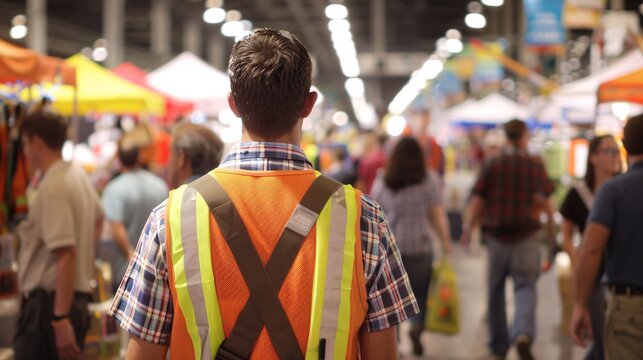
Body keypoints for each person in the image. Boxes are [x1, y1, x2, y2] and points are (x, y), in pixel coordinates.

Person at [109, 29, 418, 360]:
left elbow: (142, 353)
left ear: (233, 104)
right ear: (309, 104)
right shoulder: (364, 220)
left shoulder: (169, 219)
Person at [460, 119, 555, 360]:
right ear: (524, 136)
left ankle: (499, 345)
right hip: (526, 237)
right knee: (525, 287)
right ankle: (522, 333)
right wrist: (552, 240)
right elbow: (548, 205)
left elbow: (478, 201)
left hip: (497, 240)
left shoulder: (492, 162)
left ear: (506, 136)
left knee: (495, 292)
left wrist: (468, 229)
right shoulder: (535, 164)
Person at [14, 111, 103, 360]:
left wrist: (60, 318)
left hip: (51, 308)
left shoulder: (54, 184)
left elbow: (65, 253)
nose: (24, 151)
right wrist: (86, 260)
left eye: (25, 144)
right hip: (70, 300)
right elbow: (99, 218)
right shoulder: (77, 175)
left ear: (37, 143)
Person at [371, 136, 453, 356]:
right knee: (421, 294)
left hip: (390, 250)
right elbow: (437, 214)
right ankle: (417, 326)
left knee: (391, 300)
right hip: (421, 247)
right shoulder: (430, 180)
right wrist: (446, 241)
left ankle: (394, 343)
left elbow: (374, 216)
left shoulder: (383, 181)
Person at [571, 114, 643, 359]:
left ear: (625, 145)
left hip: (630, 309)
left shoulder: (614, 191)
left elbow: (591, 249)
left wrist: (580, 304)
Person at [560, 135, 621, 360]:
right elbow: (565, 235)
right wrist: (578, 262)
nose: (614, 156)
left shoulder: (622, 189)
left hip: (617, 275)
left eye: (617, 151)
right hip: (592, 276)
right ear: (593, 157)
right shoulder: (578, 194)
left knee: (608, 340)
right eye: (609, 151)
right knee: (601, 337)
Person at [101, 137, 168, 290]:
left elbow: (117, 227)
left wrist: (131, 255)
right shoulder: (159, 185)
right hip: (158, 266)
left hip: (127, 269)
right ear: (139, 158)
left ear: (119, 159)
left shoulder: (114, 189)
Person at [167, 122, 224, 188]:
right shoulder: (226, 195)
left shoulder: (180, 197)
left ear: (181, 157)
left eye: (171, 154)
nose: (168, 163)